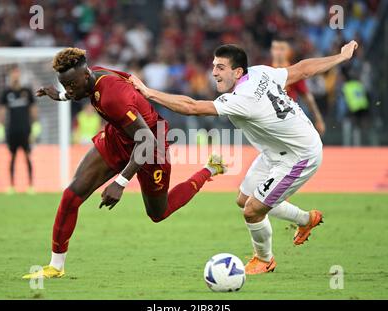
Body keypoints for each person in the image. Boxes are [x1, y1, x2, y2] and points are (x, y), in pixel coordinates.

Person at [130, 40, 359, 274]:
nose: (214, 73)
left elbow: (191, 106)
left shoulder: (241, 99)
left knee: (252, 210)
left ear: (238, 71)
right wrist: (339, 57)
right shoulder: (259, 72)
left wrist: (148, 92)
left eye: (220, 67)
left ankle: (264, 259)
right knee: (244, 199)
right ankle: (305, 220)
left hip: (299, 156)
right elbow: (302, 69)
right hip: (275, 150)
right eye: (214, 66)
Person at [22, 48, 226, 279]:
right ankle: (56, 266)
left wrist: (120, 182)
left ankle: (210, 169)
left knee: (158, 213)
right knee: (71, 195)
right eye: (64, 85)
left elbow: (146, 140)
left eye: (71, 85)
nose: (68, 90)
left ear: (85, 76)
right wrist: (59, 96)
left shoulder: (112, 97)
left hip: (151, 144)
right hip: (119, 137)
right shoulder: (92, 76)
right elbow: (117, 81)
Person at [0, 67, 39, 194]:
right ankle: (11, 185)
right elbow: (2, 111)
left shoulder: (26, 91)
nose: (15, 76)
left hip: (26, 130)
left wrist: (36, 125)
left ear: (19, 75)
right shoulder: (6, 92)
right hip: (12, 130)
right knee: (12, 157)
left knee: (27, 156)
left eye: (17, 74)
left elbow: (33, 109)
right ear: (10, 76)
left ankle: (31, 185)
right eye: (13, 74)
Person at [270, 38, 326, 136]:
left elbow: (307, 97)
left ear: (289, 52)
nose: (278, 52)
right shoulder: (265, 70)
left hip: (288, 118)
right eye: (275, 48)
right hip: (268, 118)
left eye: (282, 49)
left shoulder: (294, 71)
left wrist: (318, 119)